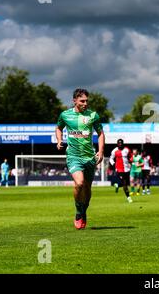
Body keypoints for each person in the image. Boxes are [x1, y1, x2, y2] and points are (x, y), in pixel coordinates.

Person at [56, 88, 105, 230]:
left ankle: (83, 212)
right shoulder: (65, 115)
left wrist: (101, 151)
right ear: (75, 101)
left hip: (90, 157)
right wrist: (59, 140)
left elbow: (101, 134)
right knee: (79, 183)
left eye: (87, 101)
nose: (85, 103)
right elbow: (58, 128)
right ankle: (78, 212)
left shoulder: (93, 115)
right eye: (82, 101)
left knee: (88, 188)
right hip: (73, 156)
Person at [109, 138, 133, 203]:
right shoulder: (114, 151)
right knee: (124, 183)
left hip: (127, 169)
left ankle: (117, 185)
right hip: (119, 170)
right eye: (119, 143)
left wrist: (131, 161)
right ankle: (128, 197)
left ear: (123, 144)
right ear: (117, 144)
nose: (120, 144)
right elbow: (111, 159)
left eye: (121, 143)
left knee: (126, 183)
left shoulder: (127, 150)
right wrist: (114, 164)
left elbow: (131, 156)